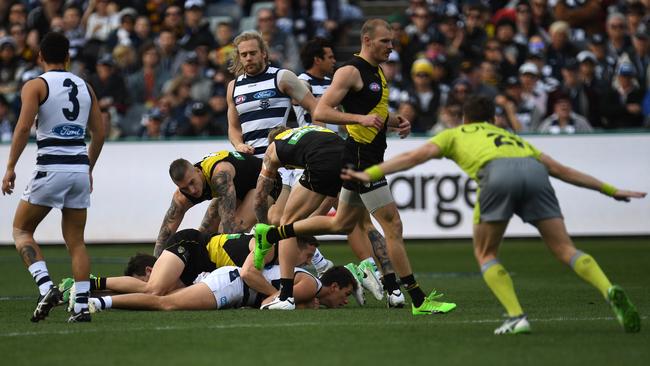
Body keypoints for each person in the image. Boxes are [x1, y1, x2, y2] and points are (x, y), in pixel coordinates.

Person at [341, 95, 645, 335]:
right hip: (534, 172)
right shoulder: (513, 138)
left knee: (486, 253)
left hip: (495, 176)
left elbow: (411, 157)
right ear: (494, 119)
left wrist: (371, 171)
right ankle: (608, 289)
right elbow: (563, 171)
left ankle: (517, 317)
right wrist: (610, 190)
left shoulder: (455, 134)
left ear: (464, 118)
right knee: (565, 248)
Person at [253, 19, 455, 315]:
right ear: (367, 39)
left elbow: (372, 114)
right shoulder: (350, 71)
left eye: (392, 41)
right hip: (362, 160)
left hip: (364, 156)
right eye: (385, 41)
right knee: (392, 225)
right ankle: (418, 299)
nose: (391, 46)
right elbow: (321, 111)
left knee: (342, 224)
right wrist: (359, 121)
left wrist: (395, 120)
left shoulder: (376, 73)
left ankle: (271, 234)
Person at [1, 32, 105, 323]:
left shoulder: (36, 85)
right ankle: (82, 306)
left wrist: (10, 167)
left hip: (50, 168)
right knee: (77, 242)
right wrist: (88, 168)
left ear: (40, 57)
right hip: (78, 170)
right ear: (68, 58)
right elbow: (100, 133)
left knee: (21, 231)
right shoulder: (85, 86)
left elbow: (22, 129)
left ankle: (46, 286)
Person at [253, 125, 386, 304]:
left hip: (322, 162)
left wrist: (264, 231)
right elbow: (326, 199)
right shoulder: (310, 132)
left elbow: (259, 197)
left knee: (285, 223)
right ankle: (391, 285)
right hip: (352, 157)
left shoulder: (275, 150)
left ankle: (285, 295)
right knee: (353, 223)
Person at [62, 228, 319, 300]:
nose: (306, 263)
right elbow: (248, 273)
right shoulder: (270, 245)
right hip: (192, 246)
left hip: (200, 266)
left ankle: (91, 295)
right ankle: (84, 283)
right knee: (154, 289)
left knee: (160, 295)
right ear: (294, 244)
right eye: (307, 256)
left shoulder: (273, 250)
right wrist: (279, 297)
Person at [153, 151, 281, 257]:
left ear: (198, 171)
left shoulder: (220, 175)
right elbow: (166, 231)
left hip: (263, 182)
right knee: (203, 234)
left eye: (192, 182)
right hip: (236, 188)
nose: (192, 191)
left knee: (231, 229)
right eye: (185, 188)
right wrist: (156, 263)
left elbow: (228, 226)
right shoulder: (181, 195)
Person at [88, 265, 356, 312]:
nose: (345, 301)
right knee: (163, 302)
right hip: (232, 286)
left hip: (231, 282)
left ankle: (96, 295)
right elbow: (268, 304)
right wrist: (303, 307)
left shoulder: (309, 282)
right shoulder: (309, 285)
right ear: (334, 286)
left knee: (162, 296)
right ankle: (100, 302)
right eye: (345, 294)